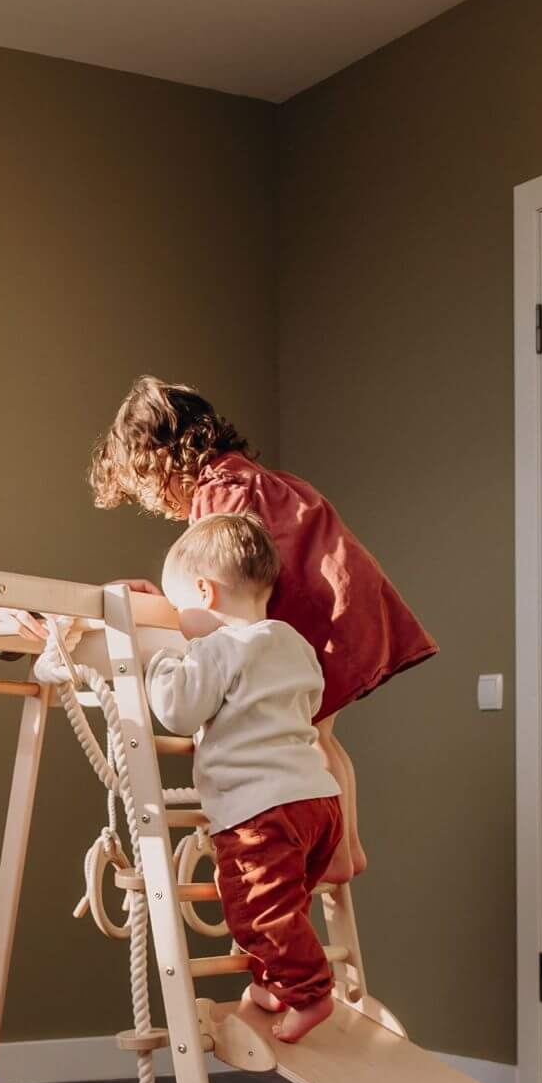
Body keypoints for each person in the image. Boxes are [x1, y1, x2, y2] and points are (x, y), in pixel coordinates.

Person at [89, 377, 436, 882]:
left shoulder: (220, 497)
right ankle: (347, 846)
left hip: (313, 617)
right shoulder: (261, 480)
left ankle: (340, 853)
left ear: (163, 462)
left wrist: (165, 609)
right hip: (335, 607)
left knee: (310, 740)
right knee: (320, 739)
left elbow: (218, 588)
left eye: (148, 489)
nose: (158, 505)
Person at [141, 514, 343, 1043]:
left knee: (255, 909)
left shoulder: (218, 648)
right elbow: (312, 700)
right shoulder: (292, 643)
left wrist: (160, 659)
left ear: (203, 593)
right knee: (287, 904)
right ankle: (274, 983)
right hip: (319, 801)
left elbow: (179, 711)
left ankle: (311, 993)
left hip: (263, 811)